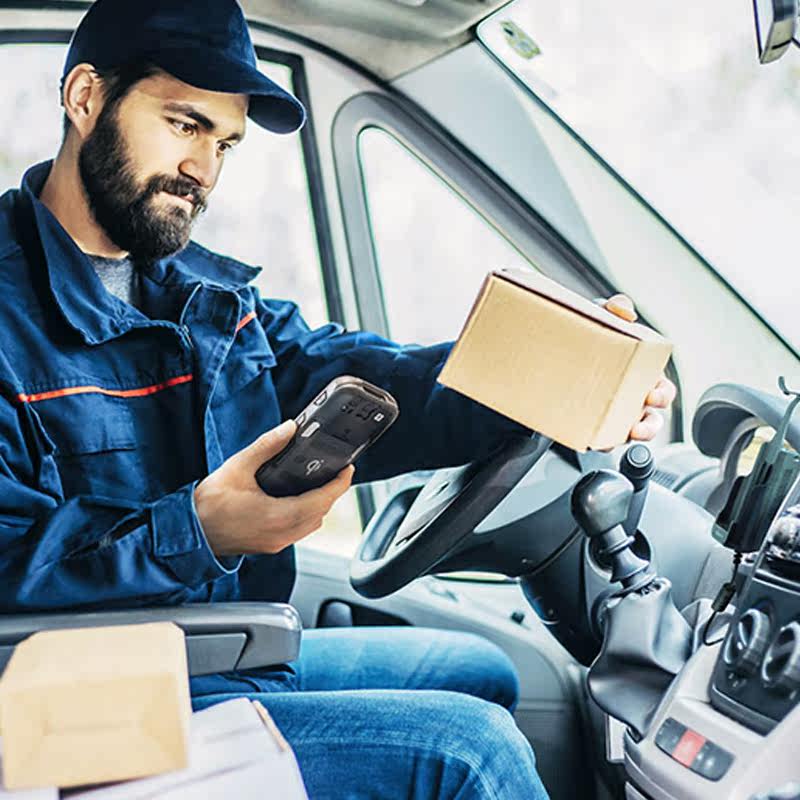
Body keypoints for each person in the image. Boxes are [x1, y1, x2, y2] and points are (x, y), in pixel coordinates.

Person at [0, 1, 675, 797]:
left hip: (206, 650)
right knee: (472, 752)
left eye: (224, 143)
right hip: (73, 714)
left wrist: (552, 375)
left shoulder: (195, 293)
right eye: (184, 125)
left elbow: (353, 377)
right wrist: (200, 532)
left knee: (481, 669)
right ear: (85, 97)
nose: (204, 170)